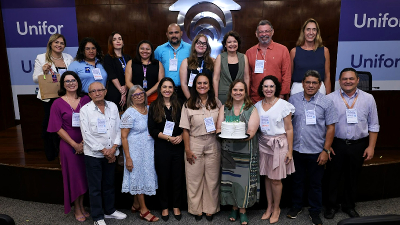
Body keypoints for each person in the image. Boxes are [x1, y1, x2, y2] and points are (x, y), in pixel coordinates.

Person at [324, 68, 379, 219]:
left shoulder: (368, 99)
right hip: (337, 144)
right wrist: (327, 146)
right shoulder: (329, 99)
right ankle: (331, 206)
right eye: (344, 79)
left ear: (357, 80)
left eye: (351, 79)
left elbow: (374, 125)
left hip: (359, 144)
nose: (348, 81)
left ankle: (349, 206)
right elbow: (324, 125)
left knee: (353, 177)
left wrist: (371, 146)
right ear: (339, 81)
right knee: (332, 176)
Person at [287, 70, 338, 225]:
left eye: (314, 82)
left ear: (320, 84)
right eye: (307, 82)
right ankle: (297, 206)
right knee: (297, 181)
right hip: (297, 149)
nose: (310, 85)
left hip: (317, 151)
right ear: (302, 84)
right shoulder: (293, 99)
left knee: (316, 184)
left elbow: (331, 127)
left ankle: (315, 211)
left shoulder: (326, 102)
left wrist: (326, 150)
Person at [80, 82, 127, 225]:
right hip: (93, 155)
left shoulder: (112, 106)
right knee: (95, 188)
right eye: (93, 91)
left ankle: (110, 210)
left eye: (100, 90)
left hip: (111, 153)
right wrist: (104, 150)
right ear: (89, 95)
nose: (97, 93)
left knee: (109, 184)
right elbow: (86, 135)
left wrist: (113, 149)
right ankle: (98, 217)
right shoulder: (85, 110)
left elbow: (119, 128)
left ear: (105, 91)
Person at [47, 71, 90, 221]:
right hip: (68, 144)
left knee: (84, 176)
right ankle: (76, 208)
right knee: (74, 177)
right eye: (67, 81)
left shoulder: (85, 99)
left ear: (78, 82)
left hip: (87, 143)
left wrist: (83, 143)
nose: (71, 83)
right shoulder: (57, 103)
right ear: (63, 84)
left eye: (73, 80)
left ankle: (82, 205)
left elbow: (92, 121)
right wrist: (75, 145)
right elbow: (57, 127)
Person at [216, 80, 260, 225]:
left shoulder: (251, 109)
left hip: (246, 152)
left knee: (243, 182)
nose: (238, 93)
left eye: (241, 90)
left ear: (245, 92)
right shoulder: (224, 108)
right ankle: (233, 207)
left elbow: (251, 131)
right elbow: (219, 129)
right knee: (231, 181)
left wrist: (244, 136)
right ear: (231, 91)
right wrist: (220, 133)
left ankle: (242, 210)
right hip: (229, 152)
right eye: (235, 90)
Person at [180, 74, 222, 221]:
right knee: (194, 179)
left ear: (209, 85)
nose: (202, 86)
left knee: (212, 178)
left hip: (213, 143)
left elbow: (221, 124)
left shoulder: (216, 102)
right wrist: (187, 150)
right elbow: (185, 130)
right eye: (199, 83)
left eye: (205, 83)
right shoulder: (188, 103)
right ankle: (196, 209)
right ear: (195, 85)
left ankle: (210, 208)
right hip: (194, 143)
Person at [254, 75, 295, 224]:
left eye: (271, 86)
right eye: (266, 86)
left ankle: (277, 208)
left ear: (276, 88)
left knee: (276, 179)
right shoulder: (257, 105)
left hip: (279, 144)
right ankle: (269, 207)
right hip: (263, 143)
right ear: (262, 88)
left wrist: (290, 151)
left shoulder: (284, 105)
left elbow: (289, 129)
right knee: (267, 177)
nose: (268, 89)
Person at [120, 85, 159, 222]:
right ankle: (143, 210)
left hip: (148, 149)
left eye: (141, 93)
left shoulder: (149, 109)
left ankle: (136, 204)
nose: (139, 96)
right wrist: (128, 158)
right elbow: (123, 137)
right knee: (138, 176)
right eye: (135, 95)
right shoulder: (129, 113)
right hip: (134, 150)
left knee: (144, 174)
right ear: (131, 98)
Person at [32, 33, 74, 161]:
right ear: (51, 44)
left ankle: (64, 150)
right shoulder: (42, 58)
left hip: (65, 95)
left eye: (62, 43)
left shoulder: (68, 58)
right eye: (56, 42)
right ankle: (51, 152)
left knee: (65, 123)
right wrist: (43, 72)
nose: (59, 45)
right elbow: (35, 79)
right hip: (50, 96)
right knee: (50, 123)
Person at [148, 78, 184, 221]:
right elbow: (152, 129)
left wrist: (181, 136)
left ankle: (176, 206)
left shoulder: (180, 104)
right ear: (160, 89)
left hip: (178, 146)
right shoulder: (154, 105)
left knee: (177, 177)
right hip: (162, 146)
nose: (167, 90)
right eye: (164, 87)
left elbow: (186, 125)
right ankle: (164, 207)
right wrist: (168, 138)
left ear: (173, 89)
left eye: (170, 87)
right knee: (163, 178)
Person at [246, 20, 291, 103]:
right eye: (261, 32)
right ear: (256, 34)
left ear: (272, 32)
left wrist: (282, 94)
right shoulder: (249, 52)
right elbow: (247, 76)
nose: (264, 34)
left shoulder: (283, 50)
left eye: (267, 31)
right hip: (255, 99)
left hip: (277, 97)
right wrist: (247, 96)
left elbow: (286, 75)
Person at [290, 18, 331, 95]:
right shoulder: (294, 51)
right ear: (303, 32)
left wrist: (328, 97)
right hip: (298, 90)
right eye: (308, 29)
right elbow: (288, 76)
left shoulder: (325, 51)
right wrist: (286, 97)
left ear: (317, 32)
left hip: (319, 90)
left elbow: (327, 76)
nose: (311, 32)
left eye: (314, 29)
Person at [154, 23, 191, 102]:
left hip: (185, 90)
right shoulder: (159, 49)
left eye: (176, 32)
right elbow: (154, 68)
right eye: (171, 33)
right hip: (166, 90)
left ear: (181, 33)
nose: (174, 35)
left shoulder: (190, 48)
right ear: (167, 34)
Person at [213, 31, 249, 104]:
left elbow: (246, 78)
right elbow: (216, 78)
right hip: (223, 96)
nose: (232, 44)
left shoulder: (244, 57)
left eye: (235, 41)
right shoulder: (220, 57)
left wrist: (246, 95)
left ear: (238, 43)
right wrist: (216, 97)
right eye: (229, 42)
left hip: (240, 95)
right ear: (225, 45)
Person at [125, 40, 164, 105]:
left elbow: (160, 81)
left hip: (153, 97)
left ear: (151, 51)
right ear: (138, 50)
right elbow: (128, 82)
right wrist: (139, 93)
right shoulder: (131, 63)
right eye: (142, 49)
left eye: (147, 49)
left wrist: (147, 93)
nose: (144, 51)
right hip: (135, 96)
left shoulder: (158, 64)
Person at [180, 34, 214, 99]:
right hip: (190, 97)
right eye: (199, 43)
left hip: (208, 99)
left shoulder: (212, 62)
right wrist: (190, 100)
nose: (201, 45)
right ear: (194, 45)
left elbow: (215, 81)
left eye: (204, 44)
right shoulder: (186, 62)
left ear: (207, 46)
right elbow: (183, 84)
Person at [104, 32, 132, 111]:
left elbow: (130, 74)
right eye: (114, 39)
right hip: (115, 90)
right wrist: (122, 91)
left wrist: (126, 87)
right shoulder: (108, 57)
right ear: (111, 43)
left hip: (128, 89)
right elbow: (112, 75)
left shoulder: (128, 57)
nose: (118, 41)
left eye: (120, 39)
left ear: (123, 43)